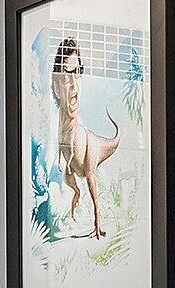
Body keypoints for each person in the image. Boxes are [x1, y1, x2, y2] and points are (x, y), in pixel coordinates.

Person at [49, 36, 123, 239]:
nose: (74, 83)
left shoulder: (82, 133)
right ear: (56, 87)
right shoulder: (56, 129)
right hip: (74, 167)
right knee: (77, 189)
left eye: (78, 72)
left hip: (88, 150)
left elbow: (84, 169)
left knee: (89, 176)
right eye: (66, 75)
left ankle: (97, 223)